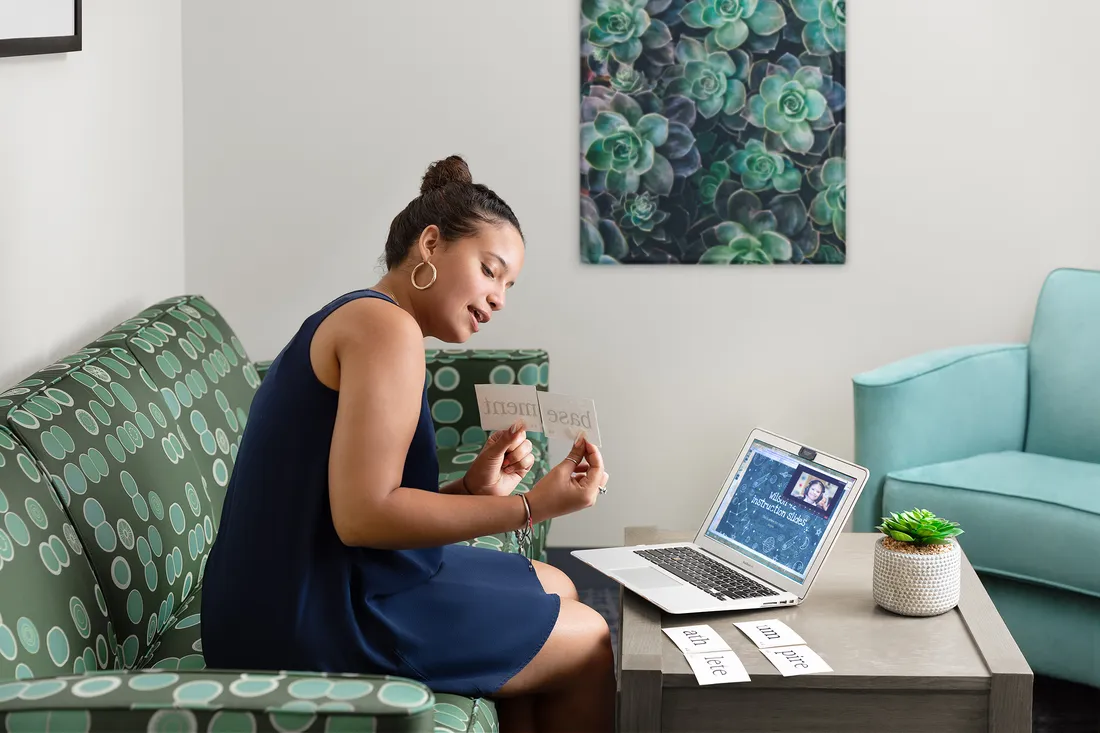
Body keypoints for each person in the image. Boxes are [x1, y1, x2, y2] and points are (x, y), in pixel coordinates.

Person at [201, 155, 614, 732]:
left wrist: (472, 489)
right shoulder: (386, 330)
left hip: (297, 587)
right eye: (490, 271)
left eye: (509, 285)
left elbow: (342, 501)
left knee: (558, 583)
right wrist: (531, 506)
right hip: (306, 617)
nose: (499, 298)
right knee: (591, 637)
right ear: (430, 244)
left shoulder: (369, 317)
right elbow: (365, 518)